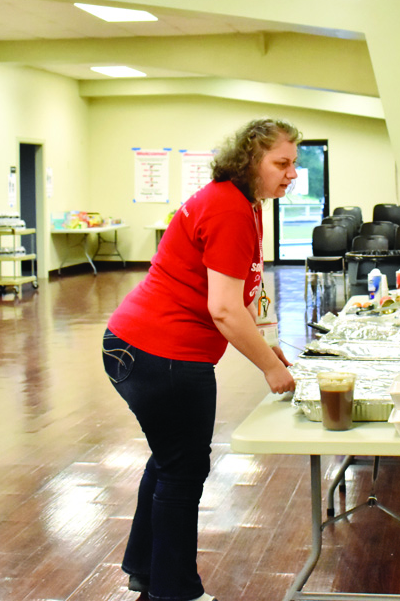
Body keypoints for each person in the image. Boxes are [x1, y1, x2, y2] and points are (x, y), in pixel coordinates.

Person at [101, 118, 300, 601]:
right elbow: (224, 309)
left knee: (170, 460)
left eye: (293, 163)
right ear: (250, 161)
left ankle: (147, 570)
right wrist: (270, 367)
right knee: (183, 469)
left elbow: (236, 294)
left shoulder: (244, 204)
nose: (292, 173)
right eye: (282, 163)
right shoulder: (229, 208)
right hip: (161, 353)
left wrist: (264, 343)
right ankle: (176, 592)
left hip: (139, 344)